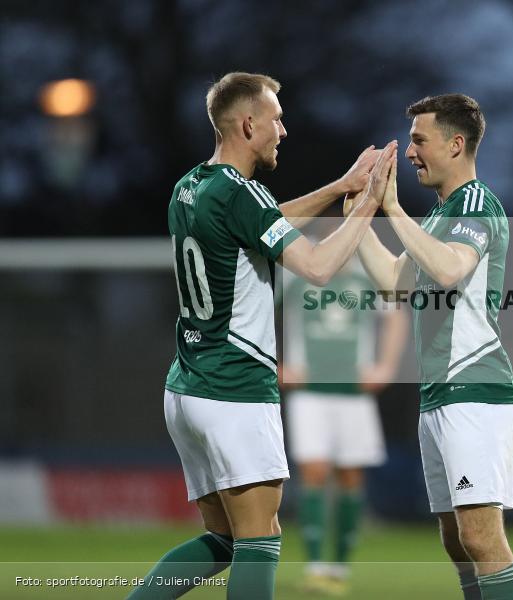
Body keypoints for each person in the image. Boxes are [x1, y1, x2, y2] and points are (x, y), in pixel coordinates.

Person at [127, 71, 396, 600]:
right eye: (276, 118)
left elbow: (257, 223)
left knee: (224, 540)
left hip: (186, 388)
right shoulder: (243, 194)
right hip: (235, 389)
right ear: (248, 123)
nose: (283, 130)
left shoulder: (191, 185)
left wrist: (341, 186)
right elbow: (316, 266)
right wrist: (366, 205)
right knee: (259, 541)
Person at [347, 94, 513, 600]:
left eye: (419, 141)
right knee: (455, 539)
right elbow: (395, 283)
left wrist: (393, 208)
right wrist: (360, 218)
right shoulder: (441, 215)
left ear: (456, 143)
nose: (409, 153)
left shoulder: (474, 202)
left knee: (480, 536)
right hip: (440, 394)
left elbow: (449, 269)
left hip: (475, 388)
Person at [280, 212, 409, 596]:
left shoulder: (365, 275)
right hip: (309, 390)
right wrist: (276, 361)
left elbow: (396, 315)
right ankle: (318, 565)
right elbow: (255, 307)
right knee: (315, 471)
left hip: (353, 392)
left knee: (352, 476)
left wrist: (385, 366)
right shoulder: (295, 274)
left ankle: (339, 566)